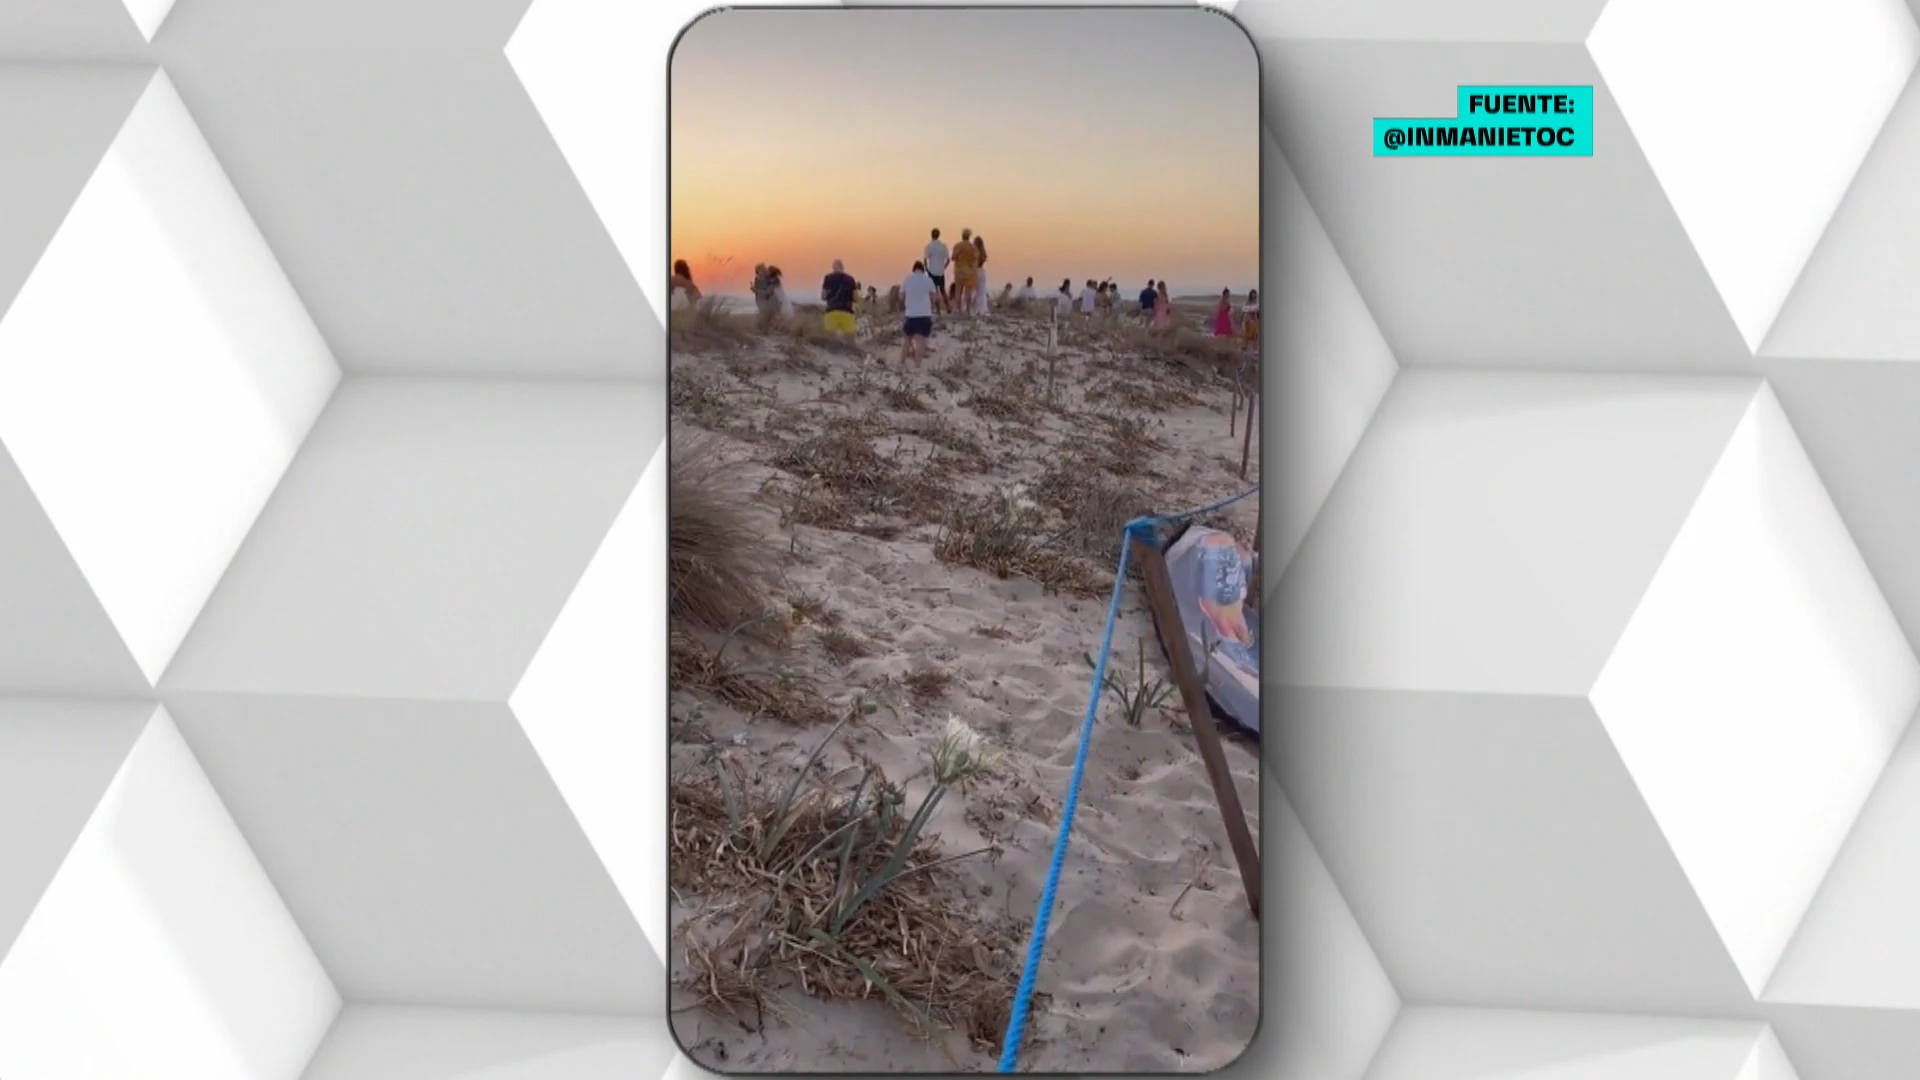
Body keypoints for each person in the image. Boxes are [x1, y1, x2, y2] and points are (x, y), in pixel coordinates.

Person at [900, 260, 939, 367]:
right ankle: (917, 365)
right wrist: (932, 307)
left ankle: (901, 362)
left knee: (907, 340)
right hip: (924, 314)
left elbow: (901, 296)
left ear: (914, 269)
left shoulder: (907, 279)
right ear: (923, 270)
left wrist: (906, 306)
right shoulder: (928, 280)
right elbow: (934, 297)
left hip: (910, 314)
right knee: (920, 342)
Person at [821, 259, 859, 337]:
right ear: (843, 267)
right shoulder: (850, 279)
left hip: (831, 312)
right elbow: (855, 298)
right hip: (847, 312)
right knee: (850, 341)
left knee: (829, 339)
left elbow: (823, 296)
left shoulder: (828, 278)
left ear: (833, 268)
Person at [950, 228, 979, 315]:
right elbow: (975, 259)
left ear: (962, 236)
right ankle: (968, 310)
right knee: (968, 292)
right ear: (969, 236)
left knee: (958, 291)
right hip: (969, 272)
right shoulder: (973, 248)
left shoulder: (958, 245)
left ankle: (958, 310)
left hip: (959, 271)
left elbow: (953, 257)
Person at [924, 228, 951, 313]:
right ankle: (948, 307)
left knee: (934, 290)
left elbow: (925, 259)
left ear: (931, 235)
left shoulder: (929, 246)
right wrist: (944, 267)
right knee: (942, 290)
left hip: (932, 271)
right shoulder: (943, 246)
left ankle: (938, 309)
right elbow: (948, 259)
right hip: (941, 271)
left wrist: (926, 269)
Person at [972, 235, 990, 315]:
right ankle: (981, 308)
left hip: (975, 271)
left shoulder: (974, 252)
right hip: (982, 271)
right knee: (981, 291)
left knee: (972, 291)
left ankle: (973, 308)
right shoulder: (983, 253)